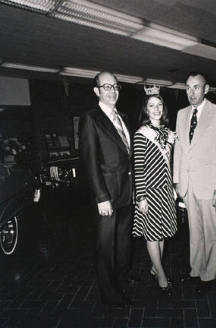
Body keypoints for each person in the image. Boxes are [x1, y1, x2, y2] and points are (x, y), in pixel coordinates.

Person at [173, 72, 216, 294]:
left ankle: (209, 276)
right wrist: (177, 180)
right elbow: (179, 149)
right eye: (188, 88)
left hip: (209, 185)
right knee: (194, 231)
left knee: (209, 232)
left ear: (206, 89)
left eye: (196, 87)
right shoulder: (181, 115)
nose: (191, 92)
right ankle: (195, 271)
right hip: (188, 185)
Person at [79, 72, 133, 307]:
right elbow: (89, 161)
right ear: (97, 91)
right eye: (106, 86)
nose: (112, 90)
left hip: (126, 193)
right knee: (105, 247)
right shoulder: (91, 118)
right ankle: (110, 294)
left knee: (123, 242)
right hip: (107, 197)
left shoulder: (123, 117)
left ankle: (121, 278)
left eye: (115, 86)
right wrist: (101, 197)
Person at [132, 93, 177, 295]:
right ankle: (161, 275)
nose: (156, 109)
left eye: (159, 105)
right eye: (152, 105)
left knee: (162, 230)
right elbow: (138, 167)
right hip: (149, 191)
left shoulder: (168, 132)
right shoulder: (141, 134)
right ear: (146, 109)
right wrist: (141, 197)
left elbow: (170, 163)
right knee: (152, 233)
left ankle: (154, 266)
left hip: (166, 190)